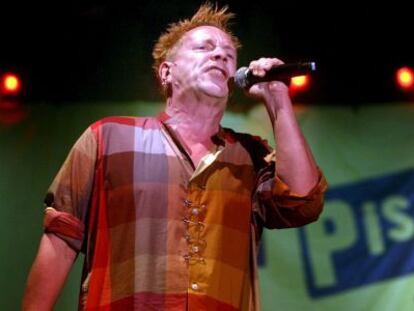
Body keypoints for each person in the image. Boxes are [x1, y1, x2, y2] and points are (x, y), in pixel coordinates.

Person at [22, 3, 327, 310]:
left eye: (228, 54)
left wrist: (277, 98)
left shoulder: (250, 155)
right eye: (204, 47)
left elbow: (302, 201)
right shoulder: (108, 138)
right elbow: (60, 241)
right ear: (167, 72)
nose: (220, 55)